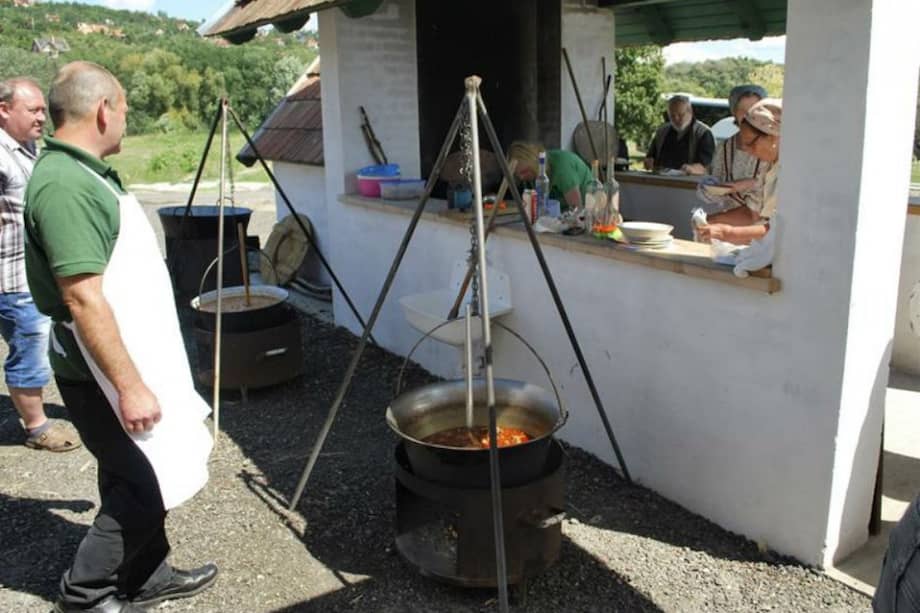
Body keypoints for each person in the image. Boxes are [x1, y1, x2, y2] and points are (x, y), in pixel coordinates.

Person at [24, 62, 215, 613]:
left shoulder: (88, 173)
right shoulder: (63, 186)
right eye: (125, 111)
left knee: (132, 473)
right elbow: (83, 298)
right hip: (100, 371)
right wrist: (129, 386)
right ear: (104, 109)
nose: (126, 123)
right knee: (139, 484)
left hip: (126, 355)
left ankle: (148, 577)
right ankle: (85, 594)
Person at [0, 77, 81, 452]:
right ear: (4, 110)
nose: (41, 117)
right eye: (32, 110)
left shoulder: (28, 148)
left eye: (42, 110)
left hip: (34, 272)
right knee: (29, 347)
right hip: (13, 277)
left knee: (40, 341)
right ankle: (37, 428)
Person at [697, 98, 782, 245]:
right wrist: (713, 221)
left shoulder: (793, 172)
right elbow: (753, 214)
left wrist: (728, 232)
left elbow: (779, 230)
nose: (747, 150)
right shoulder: (768, 168)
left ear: (773, 136)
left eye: (751, 143)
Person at [508, 141, 592, 211]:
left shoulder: (562, 167)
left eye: (524, 172)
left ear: (533, 163)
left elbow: (577, 209)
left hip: (587, 210)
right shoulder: (532, 174)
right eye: (517, 174)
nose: (521, 177)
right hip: (560, 213)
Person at [643, 94, 715, 172]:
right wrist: (648, 162)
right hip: (662, 179)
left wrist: (691, 169)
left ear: (690, 111)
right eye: (672, 116)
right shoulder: (662, 131)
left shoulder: (703, 133)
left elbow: (706, 166)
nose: (676, 119)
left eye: (681, 115)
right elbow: (650, 157)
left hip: (689, 181)